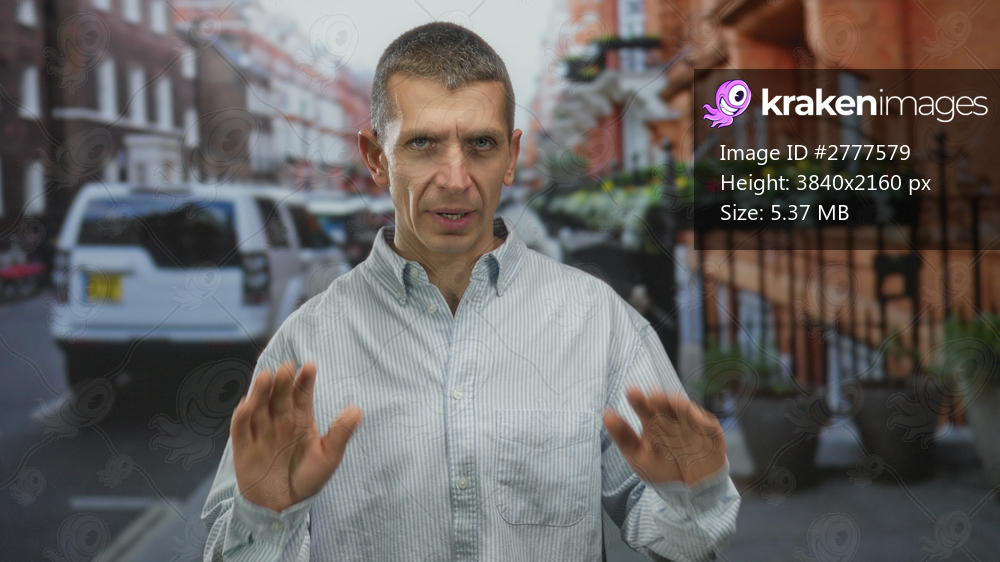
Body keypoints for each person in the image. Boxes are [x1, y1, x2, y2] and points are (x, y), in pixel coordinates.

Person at [202, 22, 740, 561]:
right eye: (422, 144)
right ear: (376, 158)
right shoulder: (306, 346)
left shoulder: (597, 321)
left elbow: (682, 544)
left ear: (511, 156)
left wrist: (694, 498)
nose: (455, 178)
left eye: (481, 144)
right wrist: (265, 516)